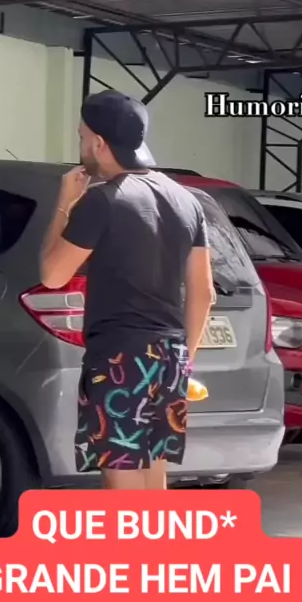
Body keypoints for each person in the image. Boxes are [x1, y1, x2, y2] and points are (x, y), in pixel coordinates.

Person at [40, 89, 214, 490]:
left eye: (82, 137)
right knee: (154, 482)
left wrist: (64, 204)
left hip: (119, 358)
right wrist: (184, 363)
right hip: (171, 358)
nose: (81, 146)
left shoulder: (101, 201)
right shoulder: (186, 200)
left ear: (99, 143)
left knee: (124, 491)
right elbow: (204, 293)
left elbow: (52, 274)